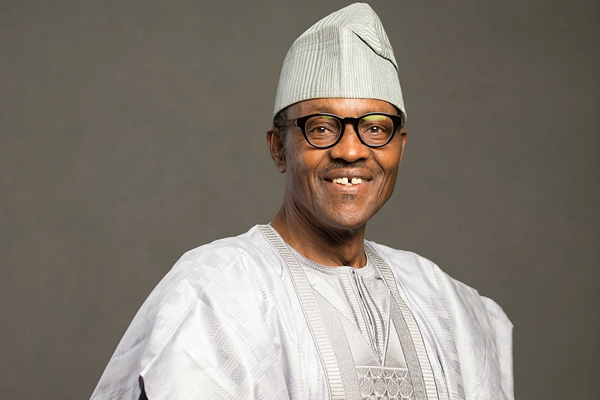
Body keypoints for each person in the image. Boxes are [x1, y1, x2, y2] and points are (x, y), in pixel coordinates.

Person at [91, 3, 513, 399]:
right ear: (279, 148)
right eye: (322, 127)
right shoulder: (218, 293)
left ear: (399, 145)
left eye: (375, 127)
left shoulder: (447, 306)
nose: (351, 150)